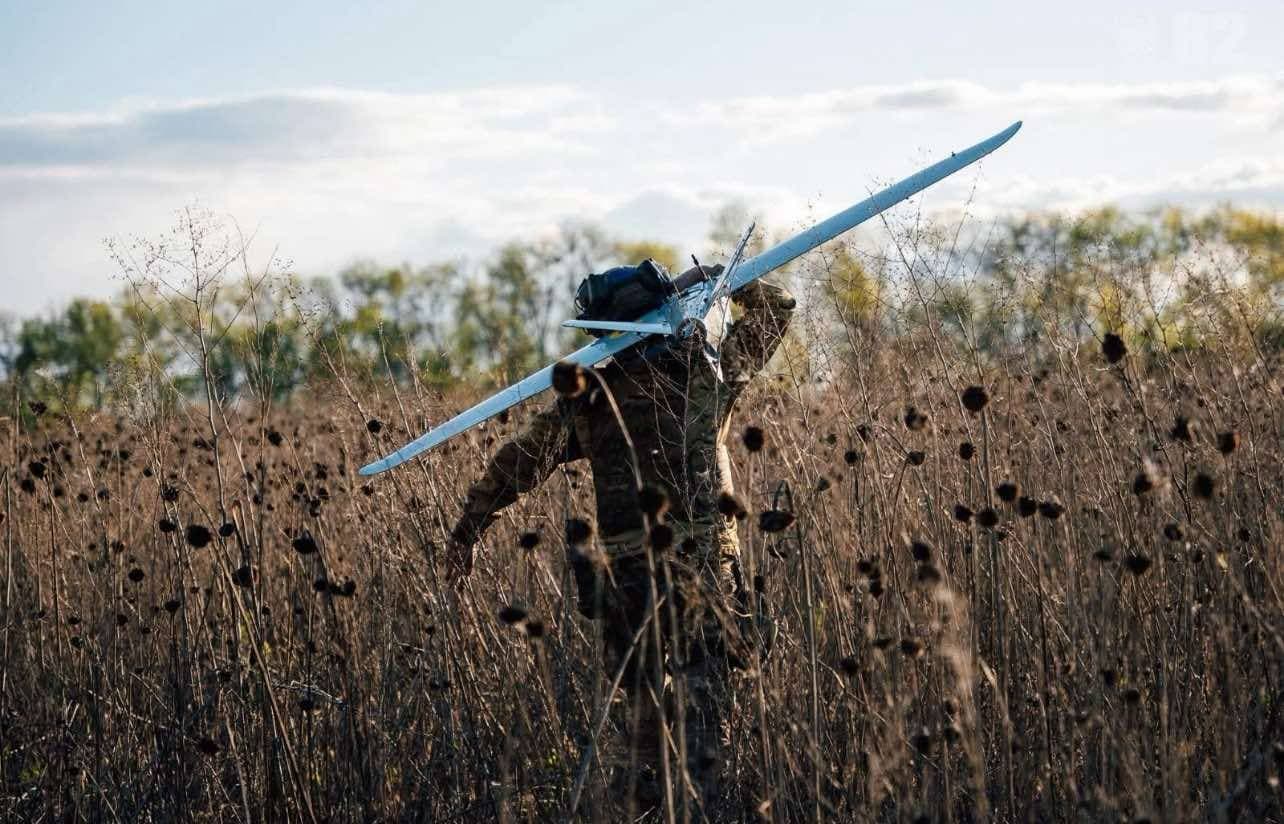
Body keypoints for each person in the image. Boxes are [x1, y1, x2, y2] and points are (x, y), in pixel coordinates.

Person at [445, 261, 795, 816]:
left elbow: (515, 467)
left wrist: (466, 531)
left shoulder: (592, 402)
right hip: (702, 576)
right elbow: (777, 311)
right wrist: (722, 278)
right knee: (707, 735)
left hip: (634, 590)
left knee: (645, 742)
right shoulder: (706, 377)